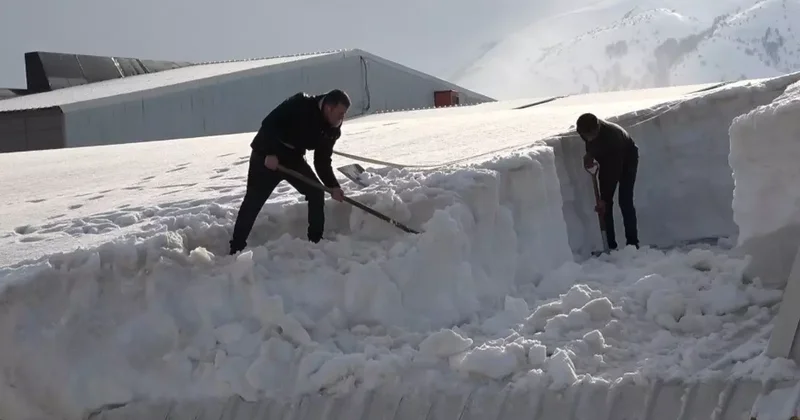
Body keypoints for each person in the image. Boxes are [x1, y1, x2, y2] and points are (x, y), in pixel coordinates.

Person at [228, 89, 351, 255]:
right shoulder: (300, 104)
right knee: (253, 201)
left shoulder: (332, 128)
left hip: (293, 157)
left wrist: (333, 186)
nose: (342, 118)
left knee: (316, 191)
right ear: (329, 107)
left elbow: (322, 161)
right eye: (340, 113)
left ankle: (315, 242)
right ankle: (236, 248)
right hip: (266, 155)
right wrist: (269, 152)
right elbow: (269, 124)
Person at [576, 112, 640, 250]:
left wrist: (604, 198)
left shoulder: (612, 138)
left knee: (625, 200)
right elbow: (592, 145)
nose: (588, 138)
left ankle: (633, 244)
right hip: (606, 159)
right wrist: (590, 155)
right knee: (605, 207)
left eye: (590, 135)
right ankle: (610, 246)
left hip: (627, 158)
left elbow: (614, 171)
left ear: (597, 128)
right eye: (585, 136)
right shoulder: (585, 129)